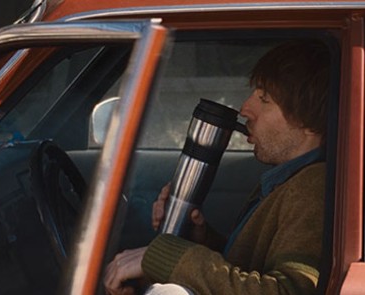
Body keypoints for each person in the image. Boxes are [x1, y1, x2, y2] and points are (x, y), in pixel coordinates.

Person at [104, 39, 331, 295]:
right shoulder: (286, 181)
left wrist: (169, 257)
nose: (245, 109)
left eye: (264, 99)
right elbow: (253, 269)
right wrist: (203, 240)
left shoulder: (313, 187)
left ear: (309, 122)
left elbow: (288, 291)